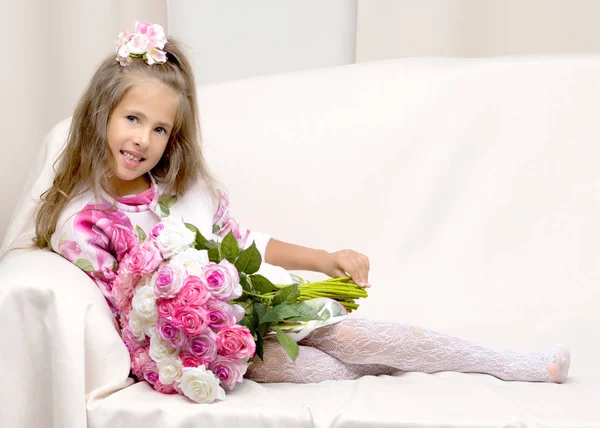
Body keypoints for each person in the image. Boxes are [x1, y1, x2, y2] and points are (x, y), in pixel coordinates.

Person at [33, 22, 570, 386]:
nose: (143, 140)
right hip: (201, 344)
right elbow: (121, 311)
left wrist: (325, 258)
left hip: (250, 303)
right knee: (331, 372)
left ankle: (512, 366)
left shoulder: (180, 192)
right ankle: (411, 370)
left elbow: (241, 243)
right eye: (132, 119)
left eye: (159, 128)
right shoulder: (84, 221)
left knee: (356, 334)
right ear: (100, 113)